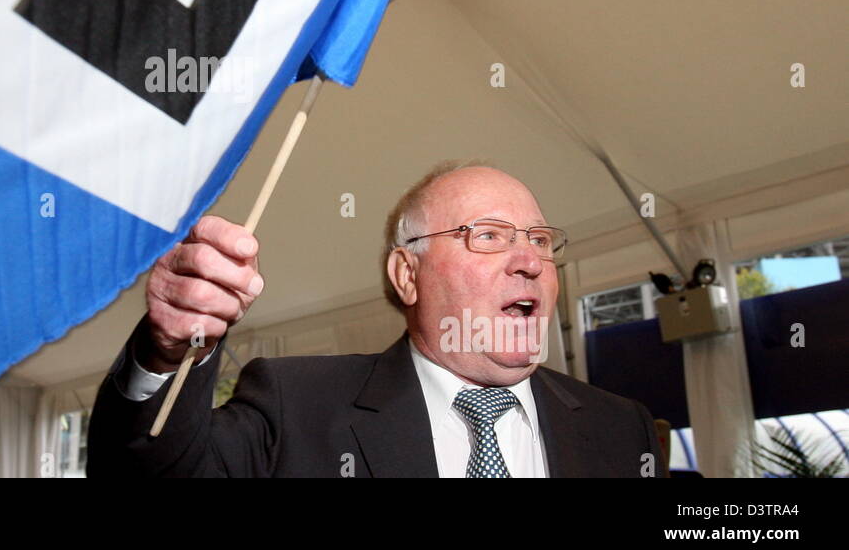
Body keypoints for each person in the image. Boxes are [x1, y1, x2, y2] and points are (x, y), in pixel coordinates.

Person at [87, 160, 667, 477]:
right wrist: (167, 353)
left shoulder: (623, 429)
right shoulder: (296, 406)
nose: (529, 262)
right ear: (406, 275)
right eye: (487, 237)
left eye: (540, 240)